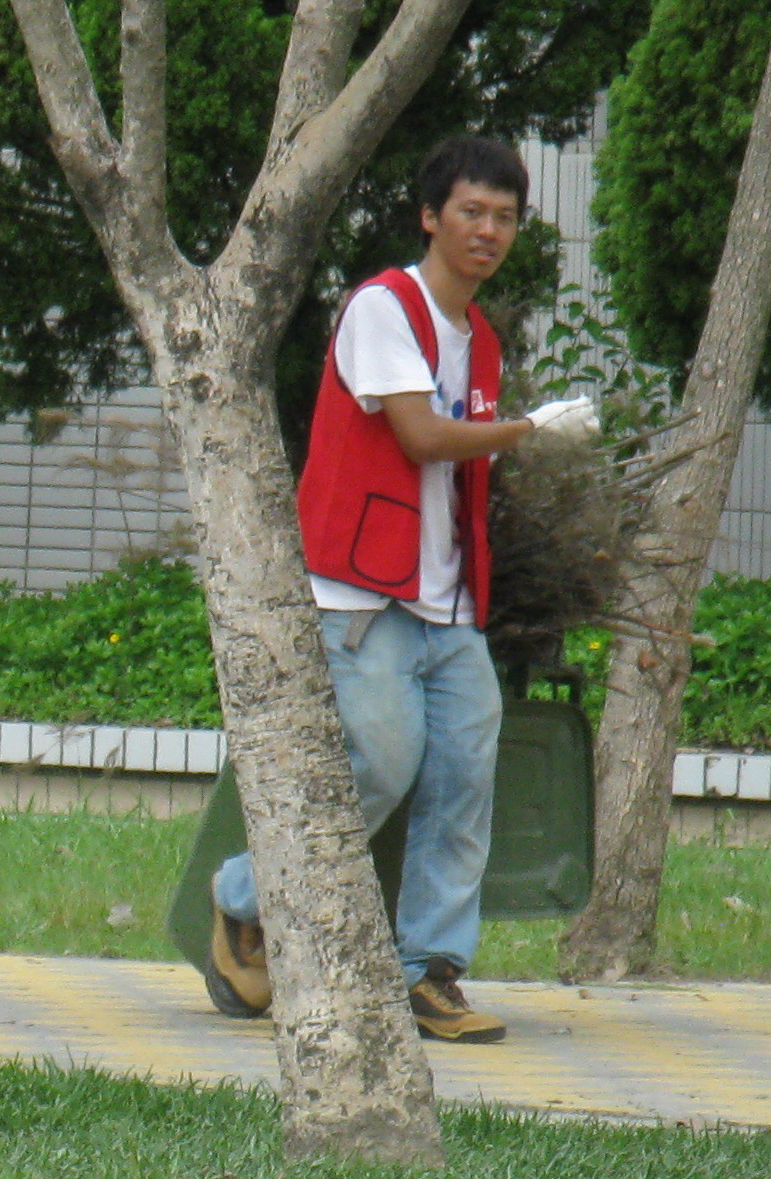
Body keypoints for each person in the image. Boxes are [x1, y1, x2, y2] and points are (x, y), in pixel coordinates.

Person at [204, 135, 583, 1045]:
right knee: (377, 767)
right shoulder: (385, 306)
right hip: (360, 596)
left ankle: (429, 972)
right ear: (430, 216)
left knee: (464, 779)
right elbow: (419, 436)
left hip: (446, 608)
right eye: (472, 212)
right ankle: (241, 895)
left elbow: (455, 474)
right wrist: (529, 430)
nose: (489, 231)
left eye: (505, 217)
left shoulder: (479, 339)